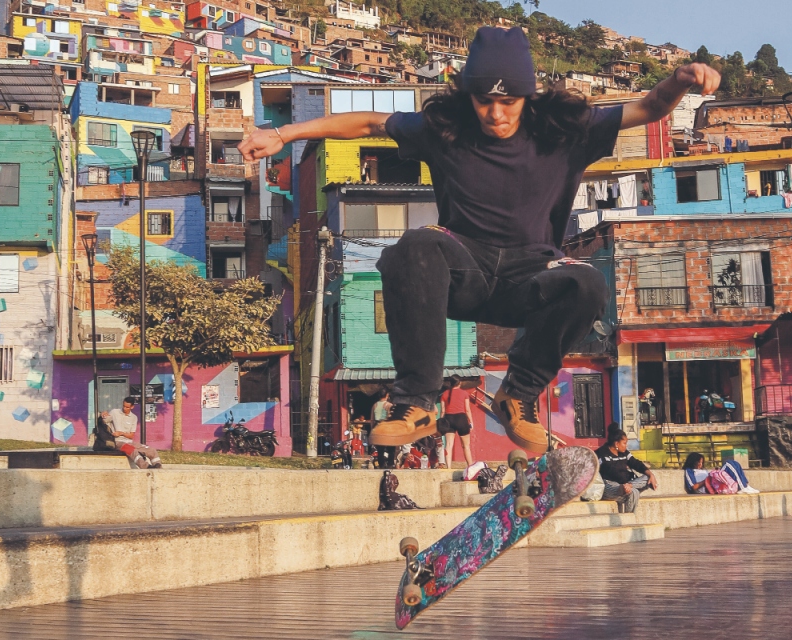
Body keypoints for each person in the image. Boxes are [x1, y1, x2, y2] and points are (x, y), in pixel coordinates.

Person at [238, 26, 720, 455]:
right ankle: (416, 404)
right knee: (414, 245)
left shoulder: (567, 129)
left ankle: (518, 395)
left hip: (531, 278)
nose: (495, 114)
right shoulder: (445, 129)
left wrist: (680, 80)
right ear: (468, 95)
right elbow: (366, 123)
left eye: (507, 102)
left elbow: (651, 108)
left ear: (528, 95)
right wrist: (284, 134)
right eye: (484, 101)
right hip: (463, 269)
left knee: (587, 282)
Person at [595, 429, 658, 513]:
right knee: (634, 492)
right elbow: (612, 471)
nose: (626, 445)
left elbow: (636, 463)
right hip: (610, 486)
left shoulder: (624, 453)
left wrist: (651, 474)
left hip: (626, 485)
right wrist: (625, 483)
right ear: (616, 443)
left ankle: (629, 487)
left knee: (647, 478)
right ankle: (629, 520)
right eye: (624, 443)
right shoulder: (602, 453)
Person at [102, 397, 163, 469]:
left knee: (151, 450)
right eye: (124, 406)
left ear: (132, 407)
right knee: (132, 450)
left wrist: (121, 433)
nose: (125, 408)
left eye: (127, 407)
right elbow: (105, 420)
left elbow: (131, 435)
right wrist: (103, 415)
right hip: (117, 442)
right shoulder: (115, 412)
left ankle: (158, 466)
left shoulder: (134, 417)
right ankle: (146, 467)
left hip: (129, 441)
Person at [683, 453, 759, 495]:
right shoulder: (689, 470)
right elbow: (694, 487)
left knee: (735, 464)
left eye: (702, 463)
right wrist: (707, 479)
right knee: (728, 464)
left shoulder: (703, 470)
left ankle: (745, 485)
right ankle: (742, 488)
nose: (701, 465)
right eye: (699, 462)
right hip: (711, 486)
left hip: (714, 481)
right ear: (693, 462)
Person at [440, 376, 474, 468]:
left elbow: (443, 410)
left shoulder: (445, 393)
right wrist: (471, 422)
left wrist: (441, 422)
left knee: (449, 445)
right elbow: (467, 410)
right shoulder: (464, 393)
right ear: (460, 383)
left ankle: (449, 467)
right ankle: (470, 467)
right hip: (461, 419)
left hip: (448, 419)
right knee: (466, 446)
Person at [372, 389, 395, 468]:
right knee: (391, 447)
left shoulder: (375, 405)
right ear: (387, 395)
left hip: (377, 427)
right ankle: (390, 464)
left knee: (380, 449)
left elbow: (372, 419)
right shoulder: (389, 405)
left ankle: (381, 465)